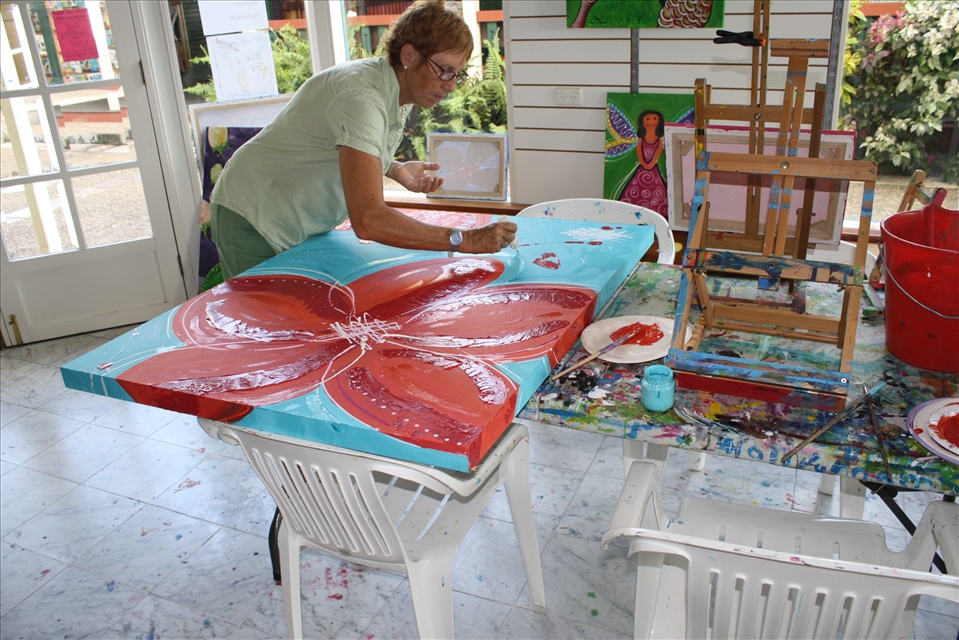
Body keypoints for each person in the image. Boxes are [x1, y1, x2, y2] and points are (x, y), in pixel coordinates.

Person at [210, 0, 517, 279]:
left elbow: (345, 143)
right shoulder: (361, 96)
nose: (450, 86)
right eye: (445, 71)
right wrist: (466, 239)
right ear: (409, 55)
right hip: (252, 216)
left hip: (295, 219)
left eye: (457, 74)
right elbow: (369, 219)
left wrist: (395, 168)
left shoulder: (393, 86)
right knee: (268, 331)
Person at [619, 109, 669, 217]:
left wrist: (650, 166)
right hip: (642, 171)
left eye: (655, 119)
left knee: (656, 193)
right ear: (642, 122)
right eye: (648, 119)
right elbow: (640, 156)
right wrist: (645, 165)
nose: (651, 121)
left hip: (653, 171)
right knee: (637, 192)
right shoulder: (641, 140)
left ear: (659, 122)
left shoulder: (660, 141)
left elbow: (656, 155)